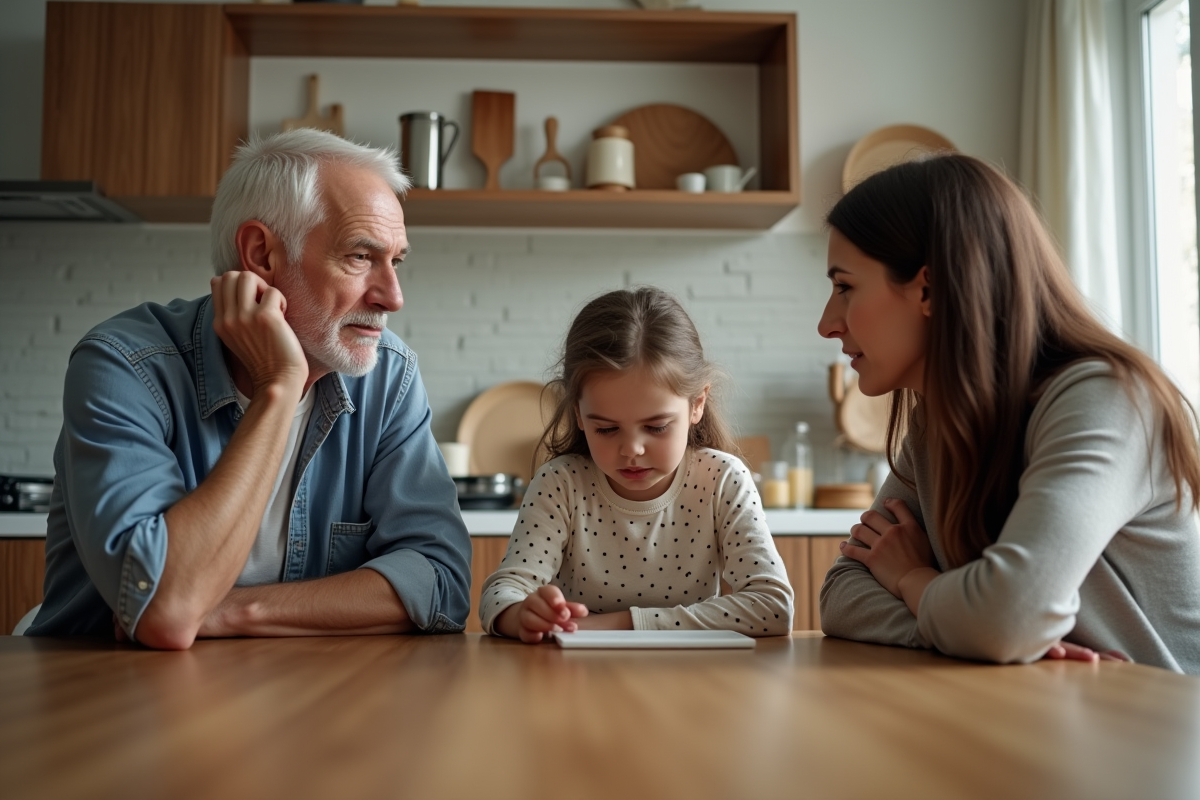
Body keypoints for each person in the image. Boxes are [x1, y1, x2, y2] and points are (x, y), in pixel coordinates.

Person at [27, 129, 472, 649]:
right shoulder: (125, 365)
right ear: (261, 254)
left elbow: (441, 581)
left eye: (395, 261)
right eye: (359, 256)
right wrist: (277, 389)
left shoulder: (387, 375)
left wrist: (232, 612)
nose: (392, 297)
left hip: (306, 687)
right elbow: (166, 611)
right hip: (103, 687)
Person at [817, 154, 1200, 674]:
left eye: (844, 287)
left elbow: (1004, 619)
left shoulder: (1109, 400)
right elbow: (842, 593)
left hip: (1154, 717)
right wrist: (971, 630)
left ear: (929, 289)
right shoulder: (937, 424)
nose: (827, 323)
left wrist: (912, 580)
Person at [479, 287, 794, 642]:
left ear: (697, 404)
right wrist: (522, 615)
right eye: (606, 429)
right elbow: (499, 594)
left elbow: (773, 607)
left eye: (656, 427)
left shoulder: (723, 479)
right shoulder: (560, 483)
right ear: (578, 413)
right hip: (578, 672)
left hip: (696, 672)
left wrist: (621, 624)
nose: (631, 450)